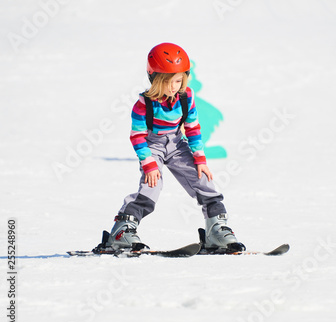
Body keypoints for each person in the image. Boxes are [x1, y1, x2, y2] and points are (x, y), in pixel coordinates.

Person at [102, 42, 244, 253]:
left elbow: (193, 128)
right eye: (168, 81)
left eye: (178, 80)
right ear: (155, 79)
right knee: (152, 187)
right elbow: (137, 136)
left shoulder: (186, 98)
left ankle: (216, 229)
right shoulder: (144, 104)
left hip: (177, 143)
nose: (174, 86)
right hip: (152, 146)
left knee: (203, 180)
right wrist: (149, 163)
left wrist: (200, 159)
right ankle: (122, 231)